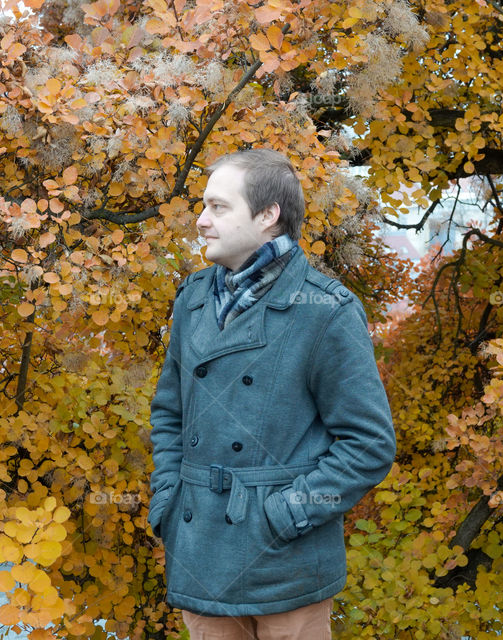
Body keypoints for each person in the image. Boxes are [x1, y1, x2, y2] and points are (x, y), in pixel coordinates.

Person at [147, 148, 396, 640]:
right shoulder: (193, 298)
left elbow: (368, 447)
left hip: (286, 560)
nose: (201, 221)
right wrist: (168, 501)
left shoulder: (325, 309)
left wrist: (285, 513)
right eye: (203, 206)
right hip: (200, 551)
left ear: (267, 216)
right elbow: (168, 414)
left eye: (218, 208)